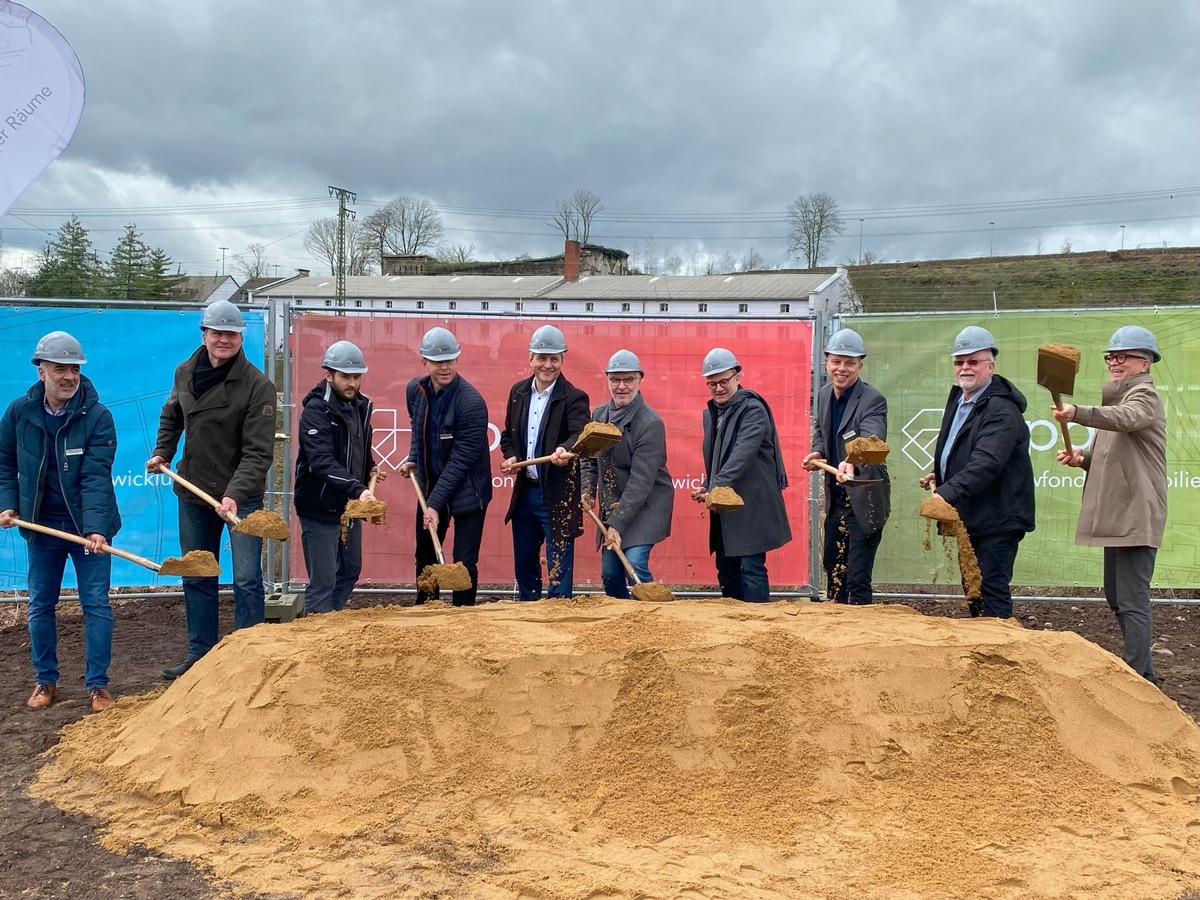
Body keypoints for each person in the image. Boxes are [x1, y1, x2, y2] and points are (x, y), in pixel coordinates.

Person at [148, 299, 276, 680]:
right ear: (204, 334)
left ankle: (249, 653)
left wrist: (235, 494)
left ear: (241, 338)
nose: (224, 339)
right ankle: (200, 654)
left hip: (243, 497)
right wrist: (162, 452)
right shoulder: (185, 371)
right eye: (217, 332)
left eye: (232, 334)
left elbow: (258, 452)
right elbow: (171, 415)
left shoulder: (258, 385)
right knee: (198, 574)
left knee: (247, 577)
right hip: (194, 491)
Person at [0, 332, 121, 712]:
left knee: (96, 605)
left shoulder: (97, 416)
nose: (68, 376)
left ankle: (98, 685)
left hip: (88, 527)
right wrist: (8, 504)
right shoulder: (19, 413)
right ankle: (45, 681)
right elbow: (5, 464)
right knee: (40, 605)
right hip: (41, 525)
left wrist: (95, 529)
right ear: (42, 372)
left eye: (74, 368)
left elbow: (96, 477)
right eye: (60, 369)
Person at [1052, 325, 1165, 684]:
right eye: (1110, 357)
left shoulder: (1144, 397)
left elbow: (1127, 420)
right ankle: (1143, 672)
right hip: (1120, 516)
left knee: (1132, 601)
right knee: (1117, 597)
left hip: (1135, 516)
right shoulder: (1117, 401)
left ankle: (1135, 677)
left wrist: (1077, 412)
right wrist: (1082, 457)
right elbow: (1116, 457)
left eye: (1123, 356)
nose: (1114, 362)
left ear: (1144, 363)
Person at [920, 326, 1035, 619]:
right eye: (960, 361)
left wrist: (945, 494)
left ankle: (1002, 657)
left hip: (998, 518)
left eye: (973, 361)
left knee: (990, 590)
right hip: (971, 515)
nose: (965, 368)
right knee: (974, 590)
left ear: (990, 366)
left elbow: (987, 463)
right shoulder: (960, 399)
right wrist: (941, 475)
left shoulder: (1001, 410)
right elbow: (963, 450)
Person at [398, 327, 492, 606]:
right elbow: (418, 428)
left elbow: (460, 461)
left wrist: (434, 505)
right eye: (438, 361)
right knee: (426, 557)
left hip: (468, 491)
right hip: (430, 485)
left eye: (450, 360)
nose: (445, 367)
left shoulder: (472, 403)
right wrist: (414, 456)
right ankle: (427, 611)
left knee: (463, 562)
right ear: (424, 361)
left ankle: (463, 615)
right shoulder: (415, 390)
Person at [690, 348, 790, 602]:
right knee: (726, 568)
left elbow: (741, 455)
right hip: (726, 508)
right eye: (712, 383)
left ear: (737, 375)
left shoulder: (753, 410)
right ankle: (732, 628)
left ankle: (758, 627)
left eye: (724, 381)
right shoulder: (713, 413)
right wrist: (707, 485)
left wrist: (716, 486)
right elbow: (717, 461)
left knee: (751, 568)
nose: (718, 388)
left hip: (753, 505)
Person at [499, 324, 590, 600]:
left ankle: (559, 617)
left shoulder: (574, 397)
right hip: (525, 493)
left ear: (562, 359)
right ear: (531, 359)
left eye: (554, 359)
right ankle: (529, 616)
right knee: (525, 564)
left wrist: (565, 448)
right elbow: (507, 435)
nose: (547, 365)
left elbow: (580, 434)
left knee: (558, 566)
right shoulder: (518, 393)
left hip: (557, 494)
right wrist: (511, 455)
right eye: (542, 358)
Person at [802, 329, 890, 604]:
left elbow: (871, 438)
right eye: (836, 361)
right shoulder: (825, 394)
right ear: (826, 362)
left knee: (857, 575)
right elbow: (821, 431)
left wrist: (851, 462)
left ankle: (861, 638)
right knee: (833, 566)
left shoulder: (873, 400)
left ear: (860, 366)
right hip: (837, 500)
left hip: (865, 497)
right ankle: (836, 634)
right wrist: (817, 450)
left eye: (849, 363)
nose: (842, 369)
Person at [294, 340, 378, 615]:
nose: (352, 383)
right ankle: (313, 635)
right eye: (345, 376)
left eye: (356, 376)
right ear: (328, 375)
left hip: (349, 508)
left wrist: (370, 467)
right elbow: (321, 462)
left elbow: (357, 446)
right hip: (319, 508)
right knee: (323, 581)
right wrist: (358, 488)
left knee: (350, 571)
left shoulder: (361, 407)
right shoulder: (316, 411)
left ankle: (326, 622)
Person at [580, 350, 673, 598]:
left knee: (635, 562)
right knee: (610, 572)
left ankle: (654, 616)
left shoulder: (651, 423)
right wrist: (587, 491)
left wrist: (616, 525)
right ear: (608, 380)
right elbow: (589, 458)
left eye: (628, 379)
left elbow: (641, 482)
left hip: (646, 505)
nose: (621, 386)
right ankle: (620, 620)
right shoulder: (599, 415)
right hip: (614, 505)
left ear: (639, 379)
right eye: (615, 380)